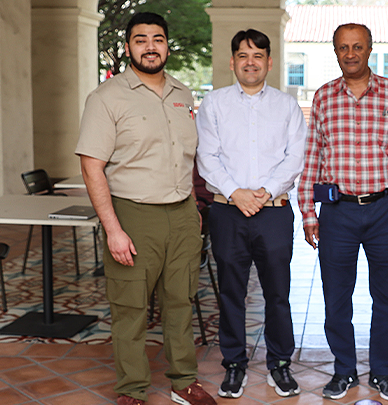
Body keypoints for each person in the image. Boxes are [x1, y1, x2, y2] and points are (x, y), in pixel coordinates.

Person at [76, 12, 216, 405]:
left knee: (181, 302)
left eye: (157, 39)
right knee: (130, 307)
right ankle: (132, 390)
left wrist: (192, 207)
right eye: (141, 39)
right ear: (128, 48)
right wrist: (114, 229)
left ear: (167, 46)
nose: (150, 46)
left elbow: (187, 156)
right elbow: (91, 165)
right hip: (133, 215)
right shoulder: (107, 97)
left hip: (183, 214)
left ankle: (184, 382)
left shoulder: (183, 94)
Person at [297, 23, 388, 402]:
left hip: (386, 209)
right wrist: (308, 213)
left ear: (369, 49)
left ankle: (383, 372)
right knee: (336, 298)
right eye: (343, 48)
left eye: (357, 47)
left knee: (387, 297)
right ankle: (344, 370)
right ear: (335, 52)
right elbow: (313, 157)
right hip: (338, 212)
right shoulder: (323, 98)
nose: (350, 54)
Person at [195, 29, 307, 399]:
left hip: (273, 213)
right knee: (231, 291)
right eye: (243, 55)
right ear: (232, 62)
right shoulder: (214, 104)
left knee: (278, 292)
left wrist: (264, 193)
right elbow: (207, 157)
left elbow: (295, 157)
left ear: (269, 62)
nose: (250, 62)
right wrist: (236, 193)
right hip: (228, 213)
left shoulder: (286, 105)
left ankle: (279, 363)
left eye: (258, 55)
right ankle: (234, 364)